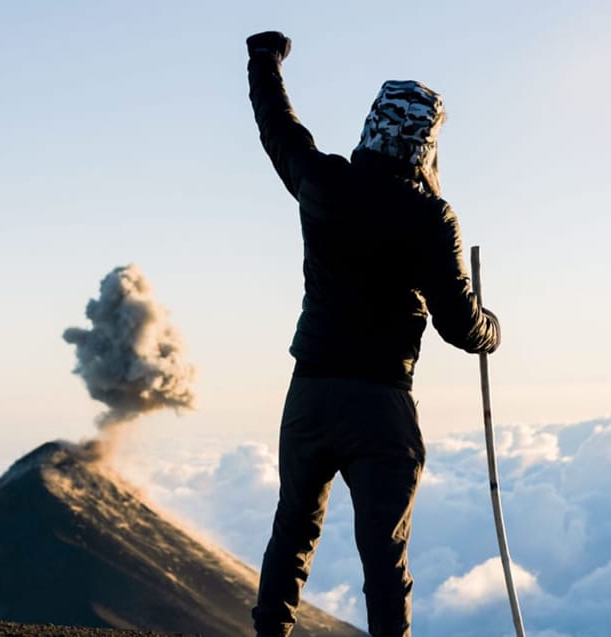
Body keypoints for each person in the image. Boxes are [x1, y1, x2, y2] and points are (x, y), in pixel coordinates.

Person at [245, 31, 501, 637]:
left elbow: (278, 127)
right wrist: (492, 329)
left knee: (293, 530)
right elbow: (460, 326)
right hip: (380, 406)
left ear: (371, 126)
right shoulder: (429, 217)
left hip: (308, 395)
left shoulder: (323, 183)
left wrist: (263, 61)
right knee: (384, 557)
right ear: (426, 143)